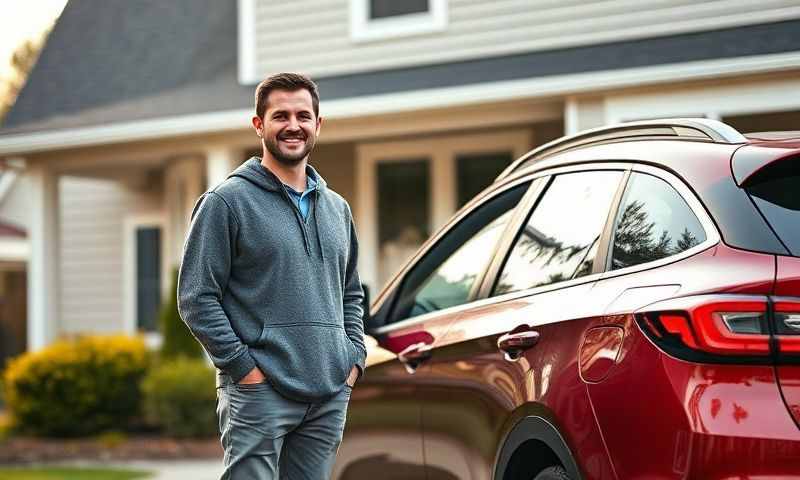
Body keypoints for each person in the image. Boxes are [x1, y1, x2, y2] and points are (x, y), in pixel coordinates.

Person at [177, 72, 366, 480]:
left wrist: (352, 360)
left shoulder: (338, 209)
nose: (293, 125)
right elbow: (196, 297)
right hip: (259, 392)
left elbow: (351, 292)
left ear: (319, 124)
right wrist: (244, 368)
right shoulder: (226, 203)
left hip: (329, 391)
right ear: (259, 125)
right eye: (281, 115)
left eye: (303, 115)